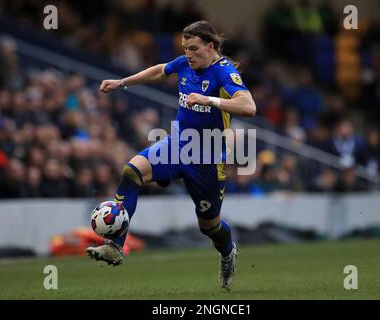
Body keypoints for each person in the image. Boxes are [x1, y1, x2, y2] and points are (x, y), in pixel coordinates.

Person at [86, 21, 256, 290]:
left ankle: (227, 253)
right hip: (177, 146)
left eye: (194, 49)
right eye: (185, 48)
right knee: (131, 172)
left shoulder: (225, 72)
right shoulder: (185, 63)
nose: (188, 54)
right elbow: (160, 71)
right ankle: (115, 246)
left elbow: (249, 107)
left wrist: (209, 100)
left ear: (210, 47)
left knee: (209, 227)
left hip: (207, 160)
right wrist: (122, 82)